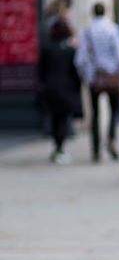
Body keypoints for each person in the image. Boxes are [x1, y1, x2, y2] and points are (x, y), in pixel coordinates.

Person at [75, 2, 119, 162]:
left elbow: (80, 59)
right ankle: (111, 137)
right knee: (115, 111)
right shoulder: (113, 29)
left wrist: (86, 76)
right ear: (106, 12)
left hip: (95, 78)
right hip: (111, 76)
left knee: (95, 113)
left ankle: (96, 148)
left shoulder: (88, 31)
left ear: (93, 13)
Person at [38, 17, 81, 164]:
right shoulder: (69, 50)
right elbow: (74, 71)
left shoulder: (47, 48)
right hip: (65, 88)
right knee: (62, 119)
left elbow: (41, 71)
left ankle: (57, 147)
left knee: (56, 119)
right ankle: (60, 148)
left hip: (50, 88)